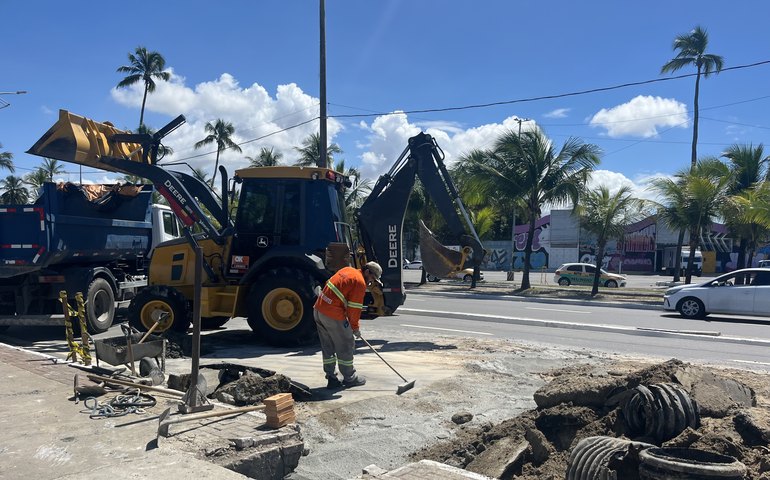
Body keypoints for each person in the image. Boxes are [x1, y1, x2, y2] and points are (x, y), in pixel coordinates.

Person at [313, 261, 382, 389]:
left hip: (319, 310)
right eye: (372, 279)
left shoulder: (347, 270)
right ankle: (350, 378)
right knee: (346, 343)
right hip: (332, 314)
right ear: (367, 272)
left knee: (328, 346)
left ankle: (332, 378)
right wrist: (355, 328)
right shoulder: (359, 282)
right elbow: (354, 309)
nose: (371, 283)